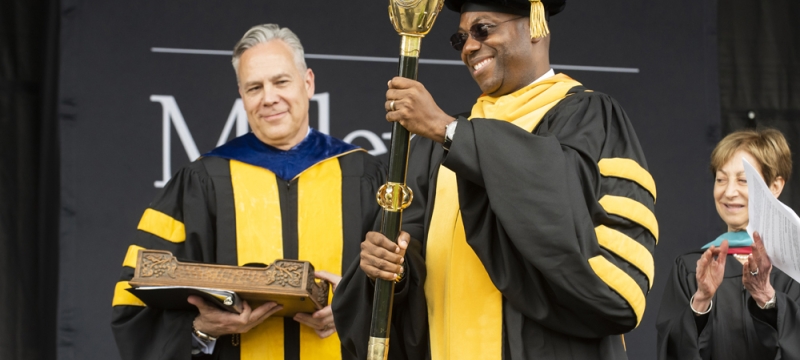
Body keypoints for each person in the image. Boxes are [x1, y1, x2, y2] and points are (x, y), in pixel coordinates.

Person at [332, 0, 657, 359]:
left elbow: (573, 232)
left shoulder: (589, 117)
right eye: (460, 39)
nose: (469, 47)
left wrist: (449, 131)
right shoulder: (435, 150)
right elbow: (413, 260)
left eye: (483, 29)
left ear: (536, 26)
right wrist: (394, 270)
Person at [110, 24, 385, 360]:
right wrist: (202, 329)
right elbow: (134, 297)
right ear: (242, 96)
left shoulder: (365, 177)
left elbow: (412, 284)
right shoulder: (203, 181)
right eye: (254, 87)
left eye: (281, 81)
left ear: (308, 82)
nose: (269, 98)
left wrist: (361, 306)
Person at [656, 129, 800, 359]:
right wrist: (701, 302)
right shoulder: (692, 268)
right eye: (721, 179)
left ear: (775, 186)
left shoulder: (793, 267)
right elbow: (671, 350)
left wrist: (768, 300)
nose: (729, 192)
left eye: (743, 180)